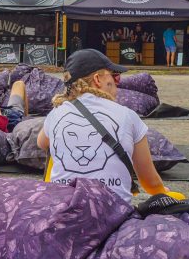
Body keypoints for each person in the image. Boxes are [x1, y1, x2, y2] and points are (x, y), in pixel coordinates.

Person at [37, 49, 177, 201]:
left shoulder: (56, 113)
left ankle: (58, 189)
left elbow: (41, 143)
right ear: (98, 79)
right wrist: (162, 191)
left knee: (53, 145)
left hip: (64, 209)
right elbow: (150, 182)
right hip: (112, 211)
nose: (117, 83)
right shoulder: (128, 115)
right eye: (115, 77)